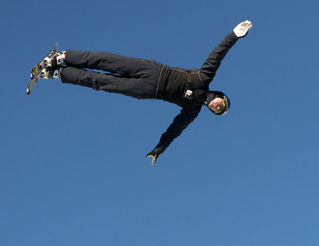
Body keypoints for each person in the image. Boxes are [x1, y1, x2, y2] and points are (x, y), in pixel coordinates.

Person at [40, 20, 253, 165]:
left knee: (102, 82)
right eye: (221, 104)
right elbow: (217, 55)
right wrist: (234, 35)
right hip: (153, 70)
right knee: (105, 61)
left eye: (218, 111)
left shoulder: (192, 110)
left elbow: (174, 130)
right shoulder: (204, 78)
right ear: (220, 96)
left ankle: (59, 74)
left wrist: (160, 148)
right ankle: (62, 57)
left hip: (147, 90)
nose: (217, 106)